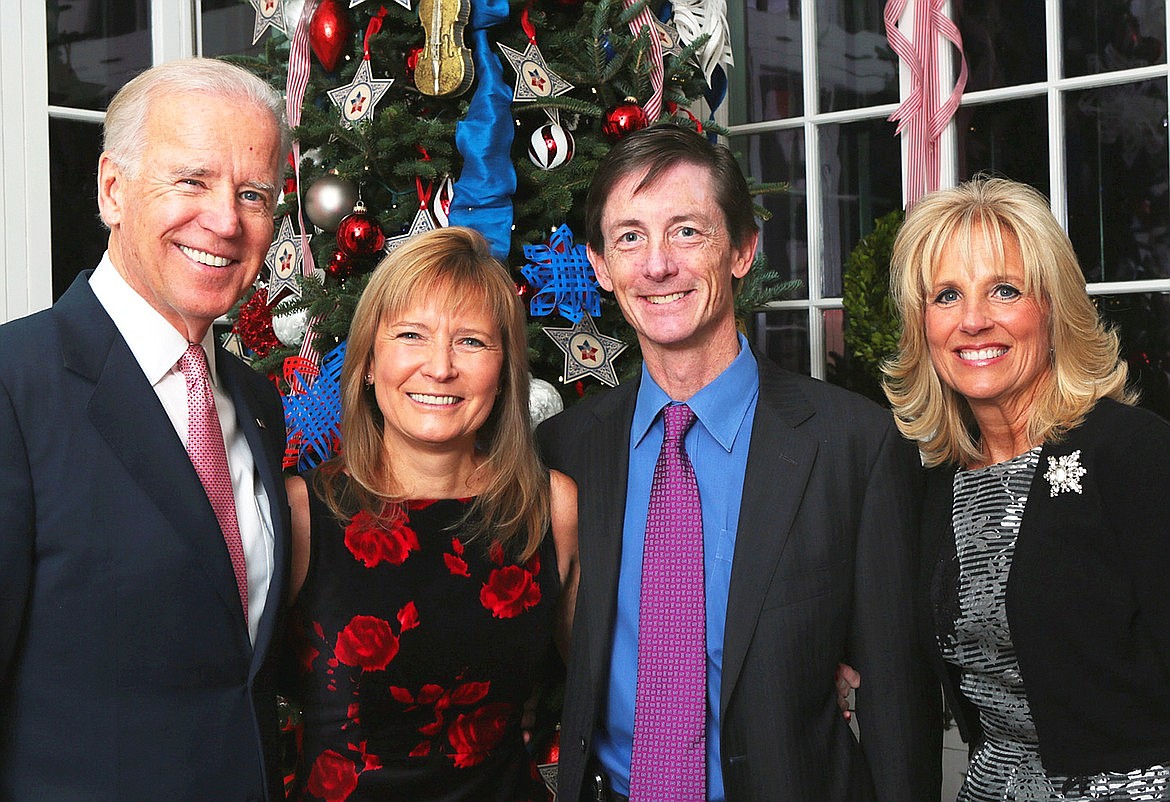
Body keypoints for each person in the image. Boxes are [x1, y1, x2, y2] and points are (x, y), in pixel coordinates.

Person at [536, 123, 940, 802]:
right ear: (601, 266)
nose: (657, 263)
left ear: (743, 250)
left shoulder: (853, 447)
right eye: (629, 236)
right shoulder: (566, 450)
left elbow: (899, 707)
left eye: (687, 231)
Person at [0, 58, 292, 800]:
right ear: (112, 189)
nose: (226, 221)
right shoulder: (13, 384)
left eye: (252, 194)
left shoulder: (258, 403)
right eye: (192, 181)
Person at [881, 176, 1170, 799]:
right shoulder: (938, 479)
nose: (973, 321)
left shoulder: (1135, 454)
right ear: (922, 326)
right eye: (947, 296)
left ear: (1053, 308)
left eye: (1004, 291)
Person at [284, 226, 579, 802]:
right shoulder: (300, 513)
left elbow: (610, 701)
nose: (440, 367)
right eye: (411, 335)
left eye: (470, 341)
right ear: (368, 363)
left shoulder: (552, 508)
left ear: (504, 372)